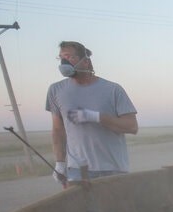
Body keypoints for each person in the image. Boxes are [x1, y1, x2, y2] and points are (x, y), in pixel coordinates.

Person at [46, 40, 138, 185]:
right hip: (78, 170)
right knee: (81, 208)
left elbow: (131, 127)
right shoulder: (56, 90)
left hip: (113, 168)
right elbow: (58, 130)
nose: (64, 62)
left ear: (86, 62)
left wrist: (95, 116)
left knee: (113, 208)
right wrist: (60, 163)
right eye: (61, 57)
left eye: (70, 57)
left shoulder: (113, 90)